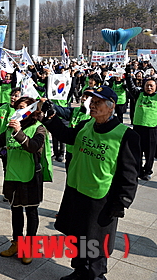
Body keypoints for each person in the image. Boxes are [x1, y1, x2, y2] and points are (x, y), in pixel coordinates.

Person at [40, 86, 140, 280]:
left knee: (96, 241)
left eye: (98, 103)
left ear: (111, 107)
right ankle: (79, 271)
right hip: (77, 190)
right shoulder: (86, 125)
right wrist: (49, 119)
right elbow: (67, 136)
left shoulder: (126, 136)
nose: (92, 106)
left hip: (101, 198)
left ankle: (95, 276)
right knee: (77, 236)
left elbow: (129, 174)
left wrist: (122, 201)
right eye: (91, 102)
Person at [0, 96, 50, 265]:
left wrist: (18, 132)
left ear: (31, 111)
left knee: (31, 212)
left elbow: (33, 146)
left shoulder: (39, 128)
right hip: (12, 175)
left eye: (22, 108)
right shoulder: (10, 129)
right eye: (17, 108)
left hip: (30, 176)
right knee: (16, 210)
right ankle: (17, 243)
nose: (18, 111)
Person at [125, 68, 157, 181]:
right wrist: (128, 75)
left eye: (151, 86)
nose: (149, 87)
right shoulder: (138, 94)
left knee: (150, 153)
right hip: (138, 127)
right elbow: (130, 86)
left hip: (152, 128)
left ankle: (148, 171)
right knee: (137, 150)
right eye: (147, 85)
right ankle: (138, 170)